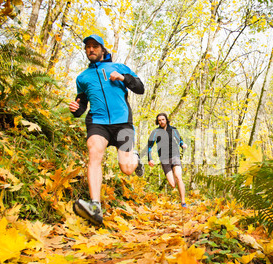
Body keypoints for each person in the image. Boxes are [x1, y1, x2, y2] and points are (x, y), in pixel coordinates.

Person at [69, 34, 145, 226]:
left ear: (103, 49)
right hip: (98, 122)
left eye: (95, 46)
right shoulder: (82, 78)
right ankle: (95, 206)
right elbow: (82, 105)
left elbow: (140, 88)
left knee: (127, 168)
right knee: (94, 151)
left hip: (123, 123)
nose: (91, 50)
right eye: (88, 47)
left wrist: (123, 78)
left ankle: (135, 157)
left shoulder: (118, 67)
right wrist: (77, 110)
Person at [147, 113, 188, 207]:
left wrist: (182, 145)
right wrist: (150, 159)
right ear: (157, 122)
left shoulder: (173, 129)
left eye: (163, 119)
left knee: (178, 176)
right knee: (173, 184)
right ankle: (180, 196)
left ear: (166, 120)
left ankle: (183, 202)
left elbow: (179, 140)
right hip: (164, 159)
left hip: (175, 155)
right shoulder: (155, 132)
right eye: (159, 120)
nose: (161, 121)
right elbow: (149, 146)